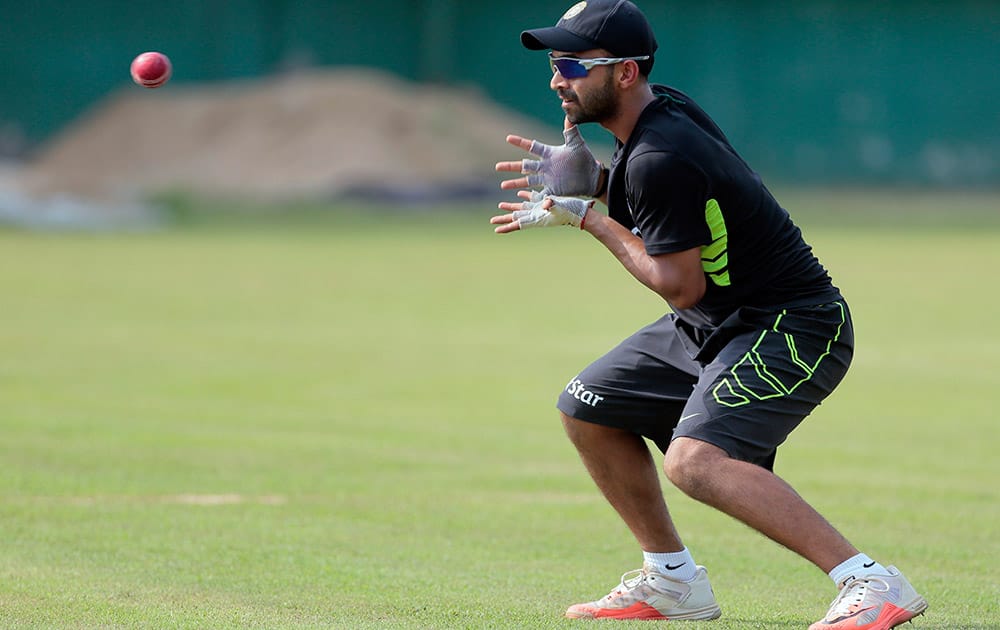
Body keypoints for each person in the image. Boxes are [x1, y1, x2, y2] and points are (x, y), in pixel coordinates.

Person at [490, 1, 928, 628]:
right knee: (586, 407)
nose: (557, 78)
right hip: (722, 321)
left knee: (695, 463)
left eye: (571, 64)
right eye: (556, 63)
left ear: (624, 73)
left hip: (791, 326)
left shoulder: (658, 154)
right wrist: (600, 183)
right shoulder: (659, 119)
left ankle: (872, 583)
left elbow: (679, 283)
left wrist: (591, 217)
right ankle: (672, 582)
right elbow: (685, 206)